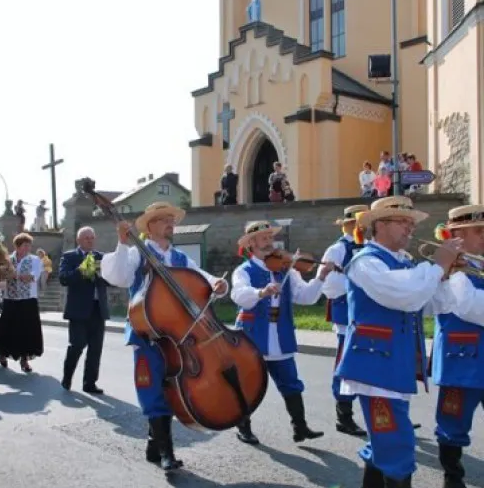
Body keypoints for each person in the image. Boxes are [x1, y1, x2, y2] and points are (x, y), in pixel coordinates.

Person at [335, 196, 462, 488]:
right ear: (379, 226)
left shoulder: (402, 262)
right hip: (374, 367)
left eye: (411, 222)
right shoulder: (365, 262)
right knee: (399, 441)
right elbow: (403, 296)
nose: (410, 228)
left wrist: (447, 276)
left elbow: (431, 303)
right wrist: (436, 268)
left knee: (386, 438)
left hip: (392, 365)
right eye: (402, 222)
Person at [101, 202, 228, 472]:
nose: (171, 224)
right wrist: (122, 245)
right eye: (164, 220)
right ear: (150, 226)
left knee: (172, 387)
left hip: (178, 336)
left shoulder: (181, 259)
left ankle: (154, 443)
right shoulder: (137, 254)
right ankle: (167, 452)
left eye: (172, 220)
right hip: (147, 333)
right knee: (152, 389)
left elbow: (202, 278)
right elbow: (119, 276)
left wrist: (217, 283)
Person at [231, 221, 334, 445]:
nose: (270, 242)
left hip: (280, 335)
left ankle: (300, 427)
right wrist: (261, 292)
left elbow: (306, 297)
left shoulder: (286, 269)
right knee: (248, 385)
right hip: (253, 336)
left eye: (271, 237)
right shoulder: (244, 271)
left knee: (291, 383)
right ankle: (244, 427)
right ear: (251, 244)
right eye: (264, 238)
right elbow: (239, 296)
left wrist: (320, 277)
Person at [430, 205, 484, 488]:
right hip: (461, 359)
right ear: (457, 237)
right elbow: (472, 307)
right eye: (479, 232)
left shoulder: (477, 265)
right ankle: (453, 480)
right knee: (453, 422)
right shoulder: (455, 271)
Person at [319, 206, 368, 437]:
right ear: (350, 225)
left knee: (371, 365)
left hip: (369, 316)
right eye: (362, 222)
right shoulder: (337, 249)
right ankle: (344, 416)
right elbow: (328, 286)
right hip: (347, 315)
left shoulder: (369, 246)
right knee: (347, 365)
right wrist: (360, 285)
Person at [59, 227, 109, 394]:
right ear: (79, 240)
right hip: (78, 310)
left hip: (97, 309)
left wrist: (104, 275)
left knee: (96, 349)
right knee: (77, 345)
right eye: (86, 238)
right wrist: (82, 269)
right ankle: (67, 378)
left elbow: (111, 280)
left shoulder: (101, 257)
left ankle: (90, 383)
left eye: (92, 237)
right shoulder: (69, 256)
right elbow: (64, 278)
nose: (90, 240)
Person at [0, 233, 43, 373]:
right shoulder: (8, 260)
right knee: (6, 328)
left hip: (28, 300)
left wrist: (16, 276)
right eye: (25, 245)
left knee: (26, 330)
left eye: (29, 245)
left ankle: (24, 359)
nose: (28, 248)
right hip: (10, 299)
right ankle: (2, 352)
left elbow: (32, 277)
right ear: (17, 246)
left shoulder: (34, 260)